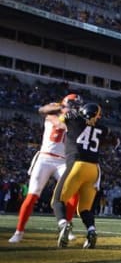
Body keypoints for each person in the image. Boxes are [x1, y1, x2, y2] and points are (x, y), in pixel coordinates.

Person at [9, 94, 82, 243]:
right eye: (74, 105)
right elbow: (45, 111)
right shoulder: (54, 113)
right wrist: (62, 109)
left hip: (62, 161)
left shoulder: (76, 118)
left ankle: (66, 228)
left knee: (74, 193)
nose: (76, 108)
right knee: (32, 194)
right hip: (45, 158)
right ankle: (19, 231)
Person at [53, 102, 112, 249]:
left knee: (57, 201)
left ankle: (63, 224)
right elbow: (107, 133)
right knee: (84, 209)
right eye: (98, 115)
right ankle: (91, 231)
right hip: (94, 170)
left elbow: (60, 119)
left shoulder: (74, 120)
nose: (99, 118)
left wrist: (70, 114)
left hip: (77, 165)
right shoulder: (102, 129)